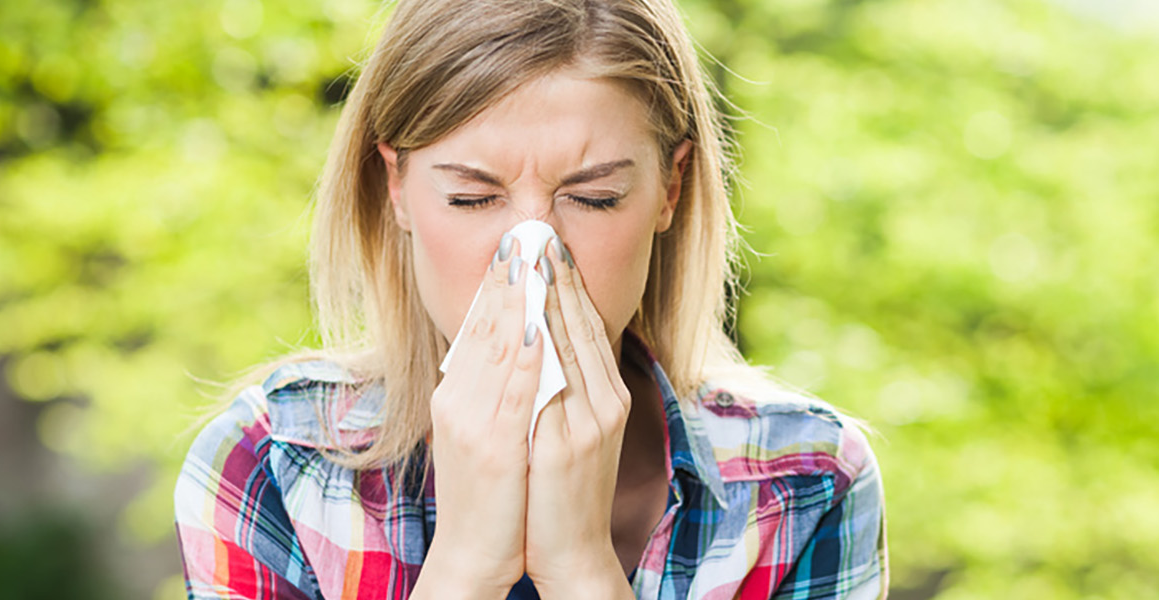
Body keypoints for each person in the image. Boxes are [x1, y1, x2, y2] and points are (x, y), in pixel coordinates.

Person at [172, 0, 888, 598]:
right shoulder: (271, 464)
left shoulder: (806, 484)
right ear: (396, 189)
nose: (533, 256)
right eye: (472, 197)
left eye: (594, 198)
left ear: (670, 189)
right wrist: (468, 567)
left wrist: (580, 567)